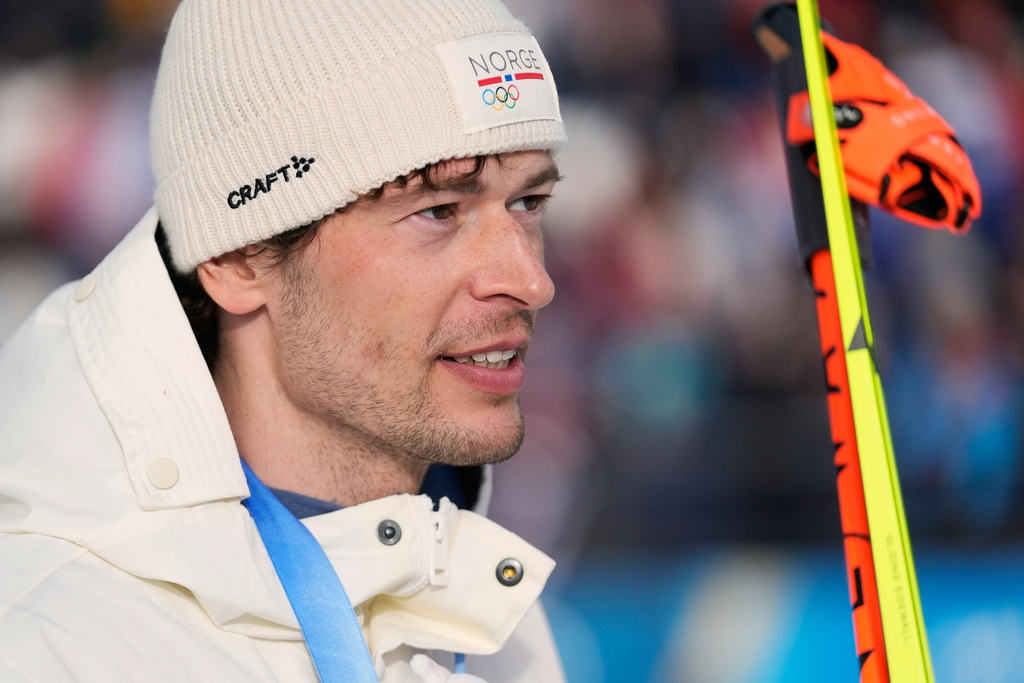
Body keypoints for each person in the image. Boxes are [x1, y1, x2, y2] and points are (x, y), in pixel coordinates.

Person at [0, 0, 567, 680]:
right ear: (238, 260)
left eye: (527, 203)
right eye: (439, 211)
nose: (531, 281)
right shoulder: (48, 648)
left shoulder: (489, 607)